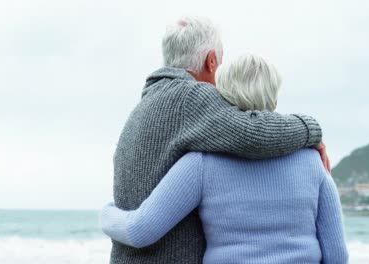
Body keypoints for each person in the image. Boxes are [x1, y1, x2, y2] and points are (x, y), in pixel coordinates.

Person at [110, 16, 329, 264]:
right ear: (211, 60)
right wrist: (311, 129)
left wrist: (108, 215)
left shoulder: (141, 109)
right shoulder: (192, 96)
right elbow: (253, 133)